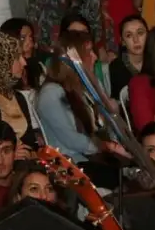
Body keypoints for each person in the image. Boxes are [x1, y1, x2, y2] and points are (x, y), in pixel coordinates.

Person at [37, 32, 130, 186]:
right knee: (119, 179)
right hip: (72, 164)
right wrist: (107, 147)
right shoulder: (51, 93)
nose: (94, 57)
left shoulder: (85, 88)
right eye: (89, 53)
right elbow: (72, 139)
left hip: (96, 159)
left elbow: (107, 126)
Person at [110, 15, 148, 100]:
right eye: (129, 35)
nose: (136, 39)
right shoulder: (115, 67)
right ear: (122, 41)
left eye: (140, 33)